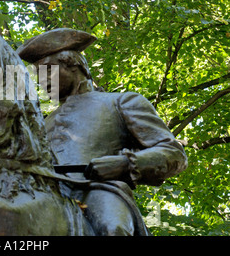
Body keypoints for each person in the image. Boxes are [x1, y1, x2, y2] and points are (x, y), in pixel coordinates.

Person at [17, 28, 188, 235]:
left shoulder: (120, 102)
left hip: (98, 191)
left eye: (48, 71)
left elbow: (174, 153)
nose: (42, 82)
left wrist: (126, 164)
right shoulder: (42, 123)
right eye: (38, 76)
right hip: (46, 194)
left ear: (73, 65)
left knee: (113, 228)